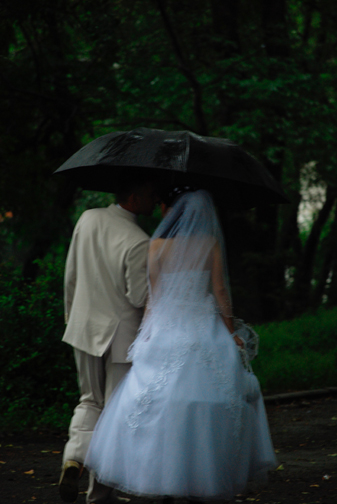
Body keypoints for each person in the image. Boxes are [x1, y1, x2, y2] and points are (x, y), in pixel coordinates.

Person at [84, 188, 277, 501]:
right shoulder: (210, 244)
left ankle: (162, 478)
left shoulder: (155, 246)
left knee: (159, 404)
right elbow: (220, 293)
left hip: (166, 328)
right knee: (208, 403)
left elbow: (153, 299)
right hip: (204, 328)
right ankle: (201, 477)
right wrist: (230, 333)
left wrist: (145, 335)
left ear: (170, 211)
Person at [59, 175, 158, 504]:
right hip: (120, 339)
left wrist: (70, 317)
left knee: (89, 401)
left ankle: (73, 458)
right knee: (116, 415)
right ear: (133, 197)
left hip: (82, 327)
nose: (153, 201)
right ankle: (100, 493)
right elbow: (138, 297)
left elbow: (70, 274)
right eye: (148, 195)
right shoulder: (138, 239)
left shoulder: (88, 218)